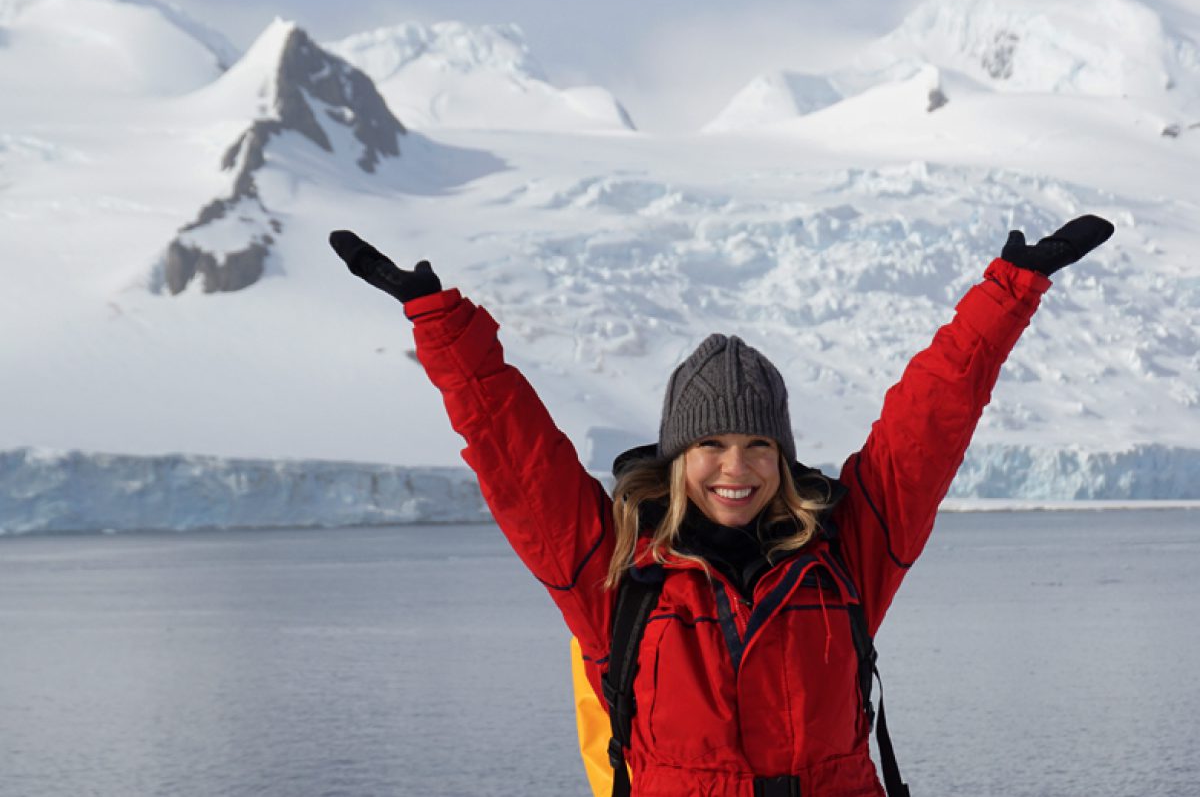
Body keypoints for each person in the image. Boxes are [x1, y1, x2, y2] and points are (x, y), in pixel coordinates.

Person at [328, 215, 1114, 797]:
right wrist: (442, 325)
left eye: (759, 446)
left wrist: (1007, 292)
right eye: (710, 447)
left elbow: (929, 426)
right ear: (675, 460)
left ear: (783, 455)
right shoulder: (613, 575)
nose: (736, 469)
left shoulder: (844, 558)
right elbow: (514, 453)